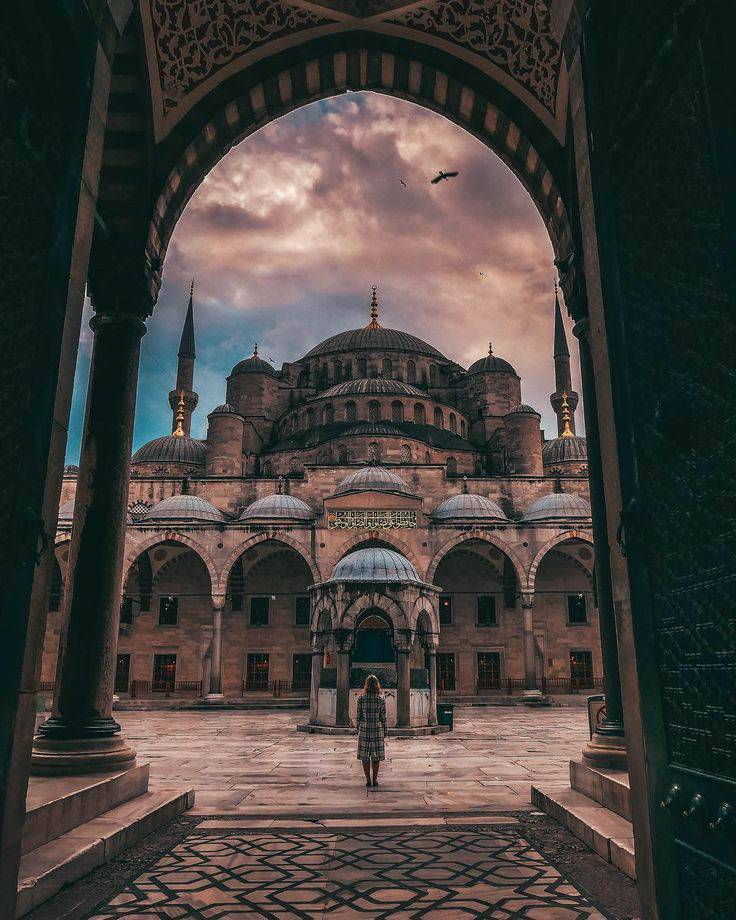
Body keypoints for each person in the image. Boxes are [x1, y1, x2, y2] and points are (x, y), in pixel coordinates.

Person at [356, 673, 387, 787]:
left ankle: (368, 780)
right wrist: (385, 730)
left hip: (364, 728)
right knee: (376, 756)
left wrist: (357, 729)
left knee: (365, 756)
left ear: (367, 685)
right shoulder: (381, 699)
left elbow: (358, 716)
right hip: (377, 729)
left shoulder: (361, 698)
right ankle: (375, 780)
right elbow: (383, 716)